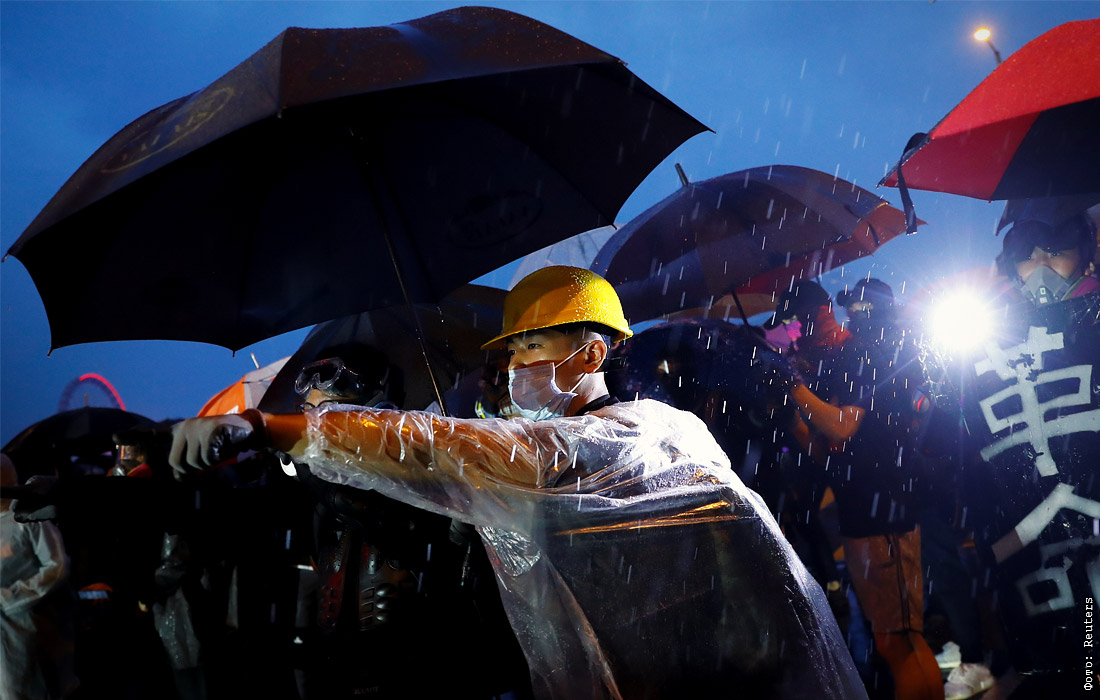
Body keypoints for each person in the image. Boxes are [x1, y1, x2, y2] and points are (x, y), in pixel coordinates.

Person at [169, 265, 867, 699]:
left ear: (591, 352)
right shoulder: (601, 439)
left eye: (531, 344)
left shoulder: (629, 436)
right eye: (507, 354)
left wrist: (274, 427)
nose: (513, 367)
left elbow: (443, 449)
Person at [928, 198, 1099, 698]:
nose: (1041, 265)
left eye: (1057, 249)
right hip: (1029, 559)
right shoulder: (984, 341)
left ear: (1086, 254)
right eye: (1027, 253)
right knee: (1060, 672)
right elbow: (947, 442)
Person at [0, 453, 79, 700]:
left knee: (23, 689)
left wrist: (10, 596)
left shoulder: (28, 519)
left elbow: (57, 566)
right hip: (6, 631)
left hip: (26, 628)